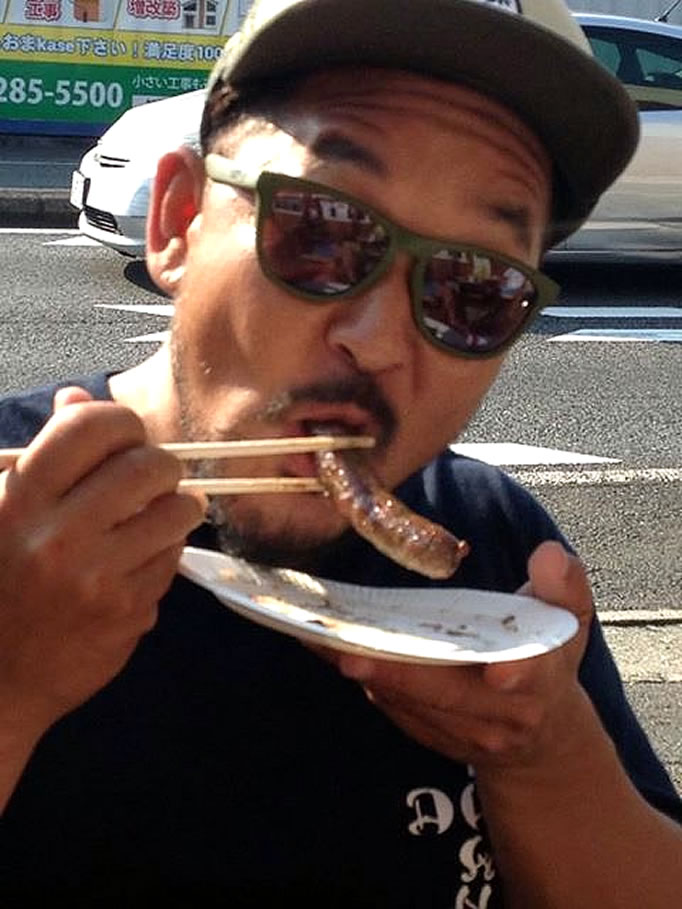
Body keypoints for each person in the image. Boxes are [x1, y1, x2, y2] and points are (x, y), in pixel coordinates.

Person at [1, 0, 680, 905]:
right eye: (321, 231)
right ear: (177, 220)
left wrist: (543, 749)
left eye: (474, 286)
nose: (379, 339)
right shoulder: (13, 525)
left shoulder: (493, 556)